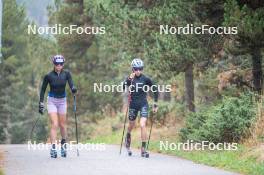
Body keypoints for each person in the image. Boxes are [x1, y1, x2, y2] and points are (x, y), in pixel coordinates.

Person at [39, 55, 77, 158]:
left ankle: (63, 145)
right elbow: (43, 90)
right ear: (54, 64)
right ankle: (53, 148)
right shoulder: (49, 76)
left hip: (62, 101)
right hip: (52, 101)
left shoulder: (67, 74)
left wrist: (73, 88)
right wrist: (41, 103)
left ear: (63, 64)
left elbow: (71, 84)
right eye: (57, 64)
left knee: (63, 125)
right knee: (54, 124)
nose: (59, 66)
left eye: (61, 64)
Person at [123, 58, 158, 157]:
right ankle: (128, 137)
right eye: (136, 69)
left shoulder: (145, 79)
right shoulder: (130, 78)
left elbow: (155, 89)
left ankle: (143, 149)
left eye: (140, 68)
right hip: (133, 104)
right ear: (133, 69)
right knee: (131, 125)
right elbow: (123, 87)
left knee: (142, 124)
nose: (138, 71)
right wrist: (128, 81)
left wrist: (155, 103)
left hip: (143, 104)